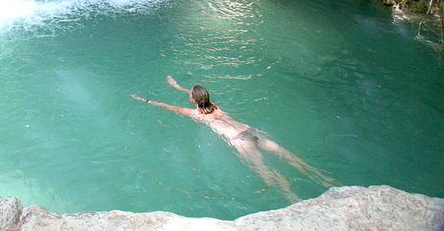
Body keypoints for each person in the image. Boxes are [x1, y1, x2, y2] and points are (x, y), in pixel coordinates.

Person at [132, 76, 334, 201]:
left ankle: (294, 198)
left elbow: (168, 106)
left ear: (193, 101)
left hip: (240, 141)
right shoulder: (215, 106)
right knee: (289, 157)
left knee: (267, 173)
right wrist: (177, 87)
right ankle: (325, 179)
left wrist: (146, 100)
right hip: (251, 132)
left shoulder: (196, 114)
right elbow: (197, 95)